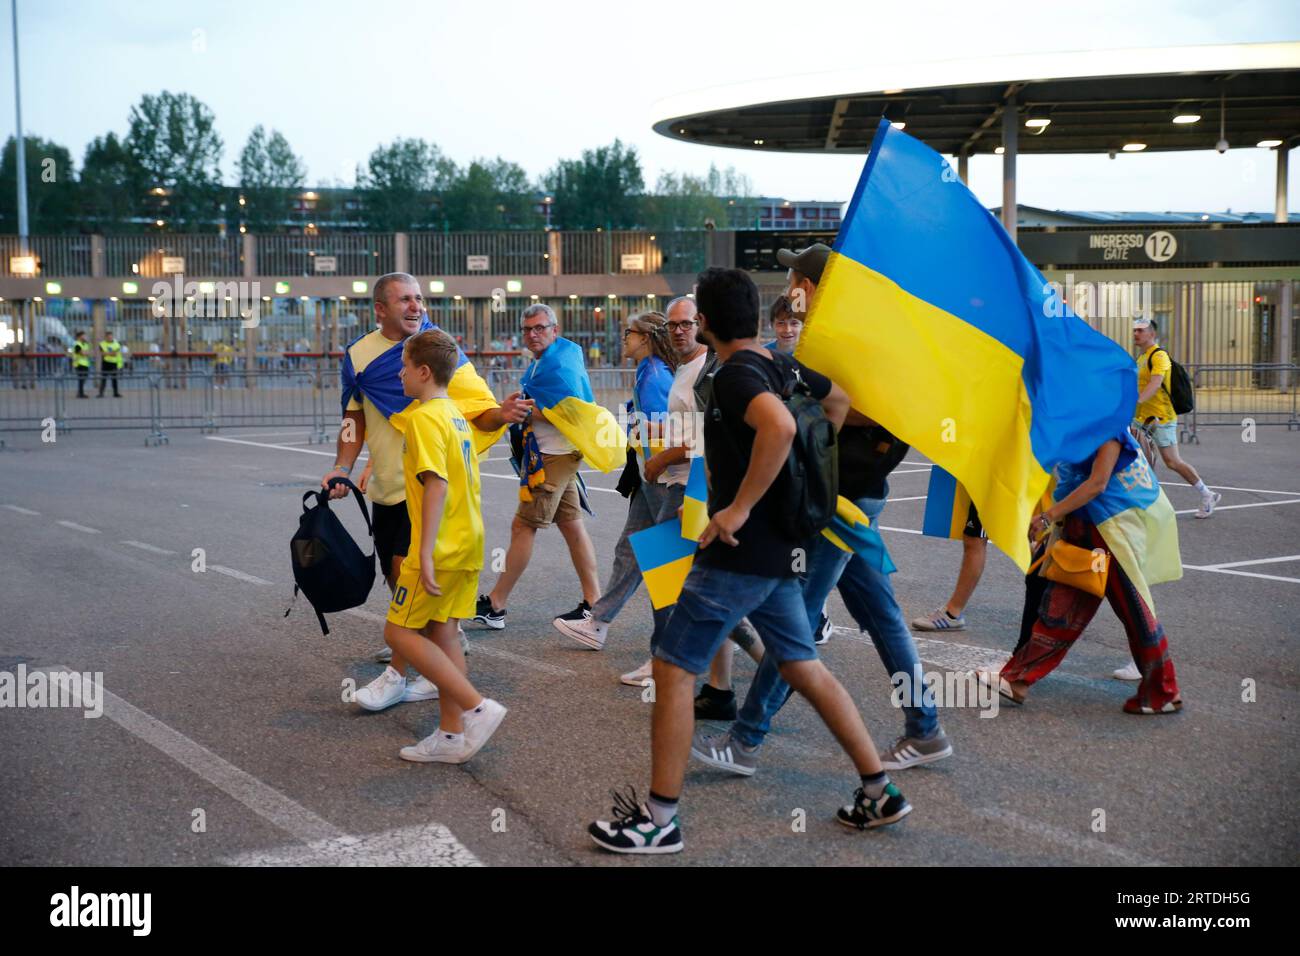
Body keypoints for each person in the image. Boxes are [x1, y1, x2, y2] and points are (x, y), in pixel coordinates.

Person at [587, 268, 911, 855]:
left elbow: (780, 424)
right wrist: (813, 473)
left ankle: (659, 818)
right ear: (757, 319)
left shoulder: (736, 373)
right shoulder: (779, 364)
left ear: (706, 323)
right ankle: (878, 789)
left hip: (742, 551)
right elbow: (835, 400)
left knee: (672, 668)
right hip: (781, 549)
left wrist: (738, 508)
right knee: (802, 664)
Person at [694, 243, 949, 776]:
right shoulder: (833, 338)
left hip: (842, 499)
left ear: (812, 287)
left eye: (796, 277)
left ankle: (746, 738)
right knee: (879, 615)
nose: (790, 286)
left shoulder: (848, 343)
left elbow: (861, 407)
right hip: (853, 495)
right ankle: (924, 729)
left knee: (796, 617)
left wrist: (811, 429)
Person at [321, 272, 528, 707]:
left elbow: (476, 409)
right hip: (388, 489)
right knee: (400, 579)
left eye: (419, 298)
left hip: (428, 491)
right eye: (404, 300)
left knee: (408, 581)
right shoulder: (358, 355)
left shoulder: (437, 349)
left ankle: (403, 673)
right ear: (380, 308)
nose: (416, 307)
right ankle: (441, 670)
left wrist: (501, 415)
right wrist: (343, 465)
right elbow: (353, 417)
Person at [978, 429, 1183, 715]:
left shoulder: (1109, 427)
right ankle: (1017, 680)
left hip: (1111, 531)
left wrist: (1049, 515)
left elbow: (1097, 484)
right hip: (1088, 528)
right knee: (1064, 607)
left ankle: (1163, 691)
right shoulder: (1087, 418)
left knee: (1133, 611)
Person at [381, 329, 507, 763]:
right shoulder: (455, 414)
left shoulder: (423, 418)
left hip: (442, 544)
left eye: (403, 365)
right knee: (445, 632)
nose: (398, 374)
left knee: (397, 630)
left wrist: (425, 552)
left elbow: (435, 484)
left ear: (422, 371)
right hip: (468, 540)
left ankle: (476, 708)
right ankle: (451, 737)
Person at [551, 310, 676, 654]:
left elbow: (663, 431)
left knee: (665, 563)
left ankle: (709, 637)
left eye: (629, 333)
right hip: (652, 476)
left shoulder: (653, 377)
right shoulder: (647, 372)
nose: (624, 338)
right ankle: (598, 624)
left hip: (659, 478)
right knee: (633, 551)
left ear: (645, 338)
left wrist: (641, 443)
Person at [473, 304, 604, 629]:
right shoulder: (553, 359)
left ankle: (497, 605)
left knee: (523, 526)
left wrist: (527, 411)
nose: (533, 334)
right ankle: (595, 604)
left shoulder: (559, 366)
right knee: (572, 527)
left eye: (540, 327)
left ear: (554, 330)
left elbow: (575, 413)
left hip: (554, 457)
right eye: (528, 329)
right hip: (554, 453)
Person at [1132, 318, 1219, 519]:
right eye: (1135, 330)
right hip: (1142, 419)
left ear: (1152, 334)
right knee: (1135, 460)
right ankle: (1141, 506)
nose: (1136, 334)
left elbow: (1155, 384)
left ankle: (1208, 494)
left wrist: (1136, 401)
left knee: (1172, 461)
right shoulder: (1141, 358)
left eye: (1140, 330)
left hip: (1161, 419)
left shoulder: (1159, 356)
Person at [910, 503, 988, 632]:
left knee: (975, 538)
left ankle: (952, 614)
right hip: (992, 487)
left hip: (995, 488)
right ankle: (952, 613)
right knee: (974, 538)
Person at [97, 331, 124, 397]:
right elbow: (102, 353)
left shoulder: (116, 344)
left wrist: (107, 353)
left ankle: (116, 393)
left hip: (114, 363)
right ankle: (101, 393)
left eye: (111, 336)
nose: (110, 338)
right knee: (103, 379)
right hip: (105, 363)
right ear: (105, 337)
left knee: (114, 379)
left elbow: (115, 354)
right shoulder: (102, 344)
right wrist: (110, 353)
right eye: (108, 337)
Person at [69, 331, 91, 398]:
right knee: (81, 379)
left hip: (85, 364)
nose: (85, 337)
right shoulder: (77, 344)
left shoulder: (86, 344)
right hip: (79, 364)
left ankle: (80, 392)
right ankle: (80, 394)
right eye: (83, 336)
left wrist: (86, 353)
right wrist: (86, 353)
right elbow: (83, 353)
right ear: (79, 337)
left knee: (84, 379)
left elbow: (91, 353)